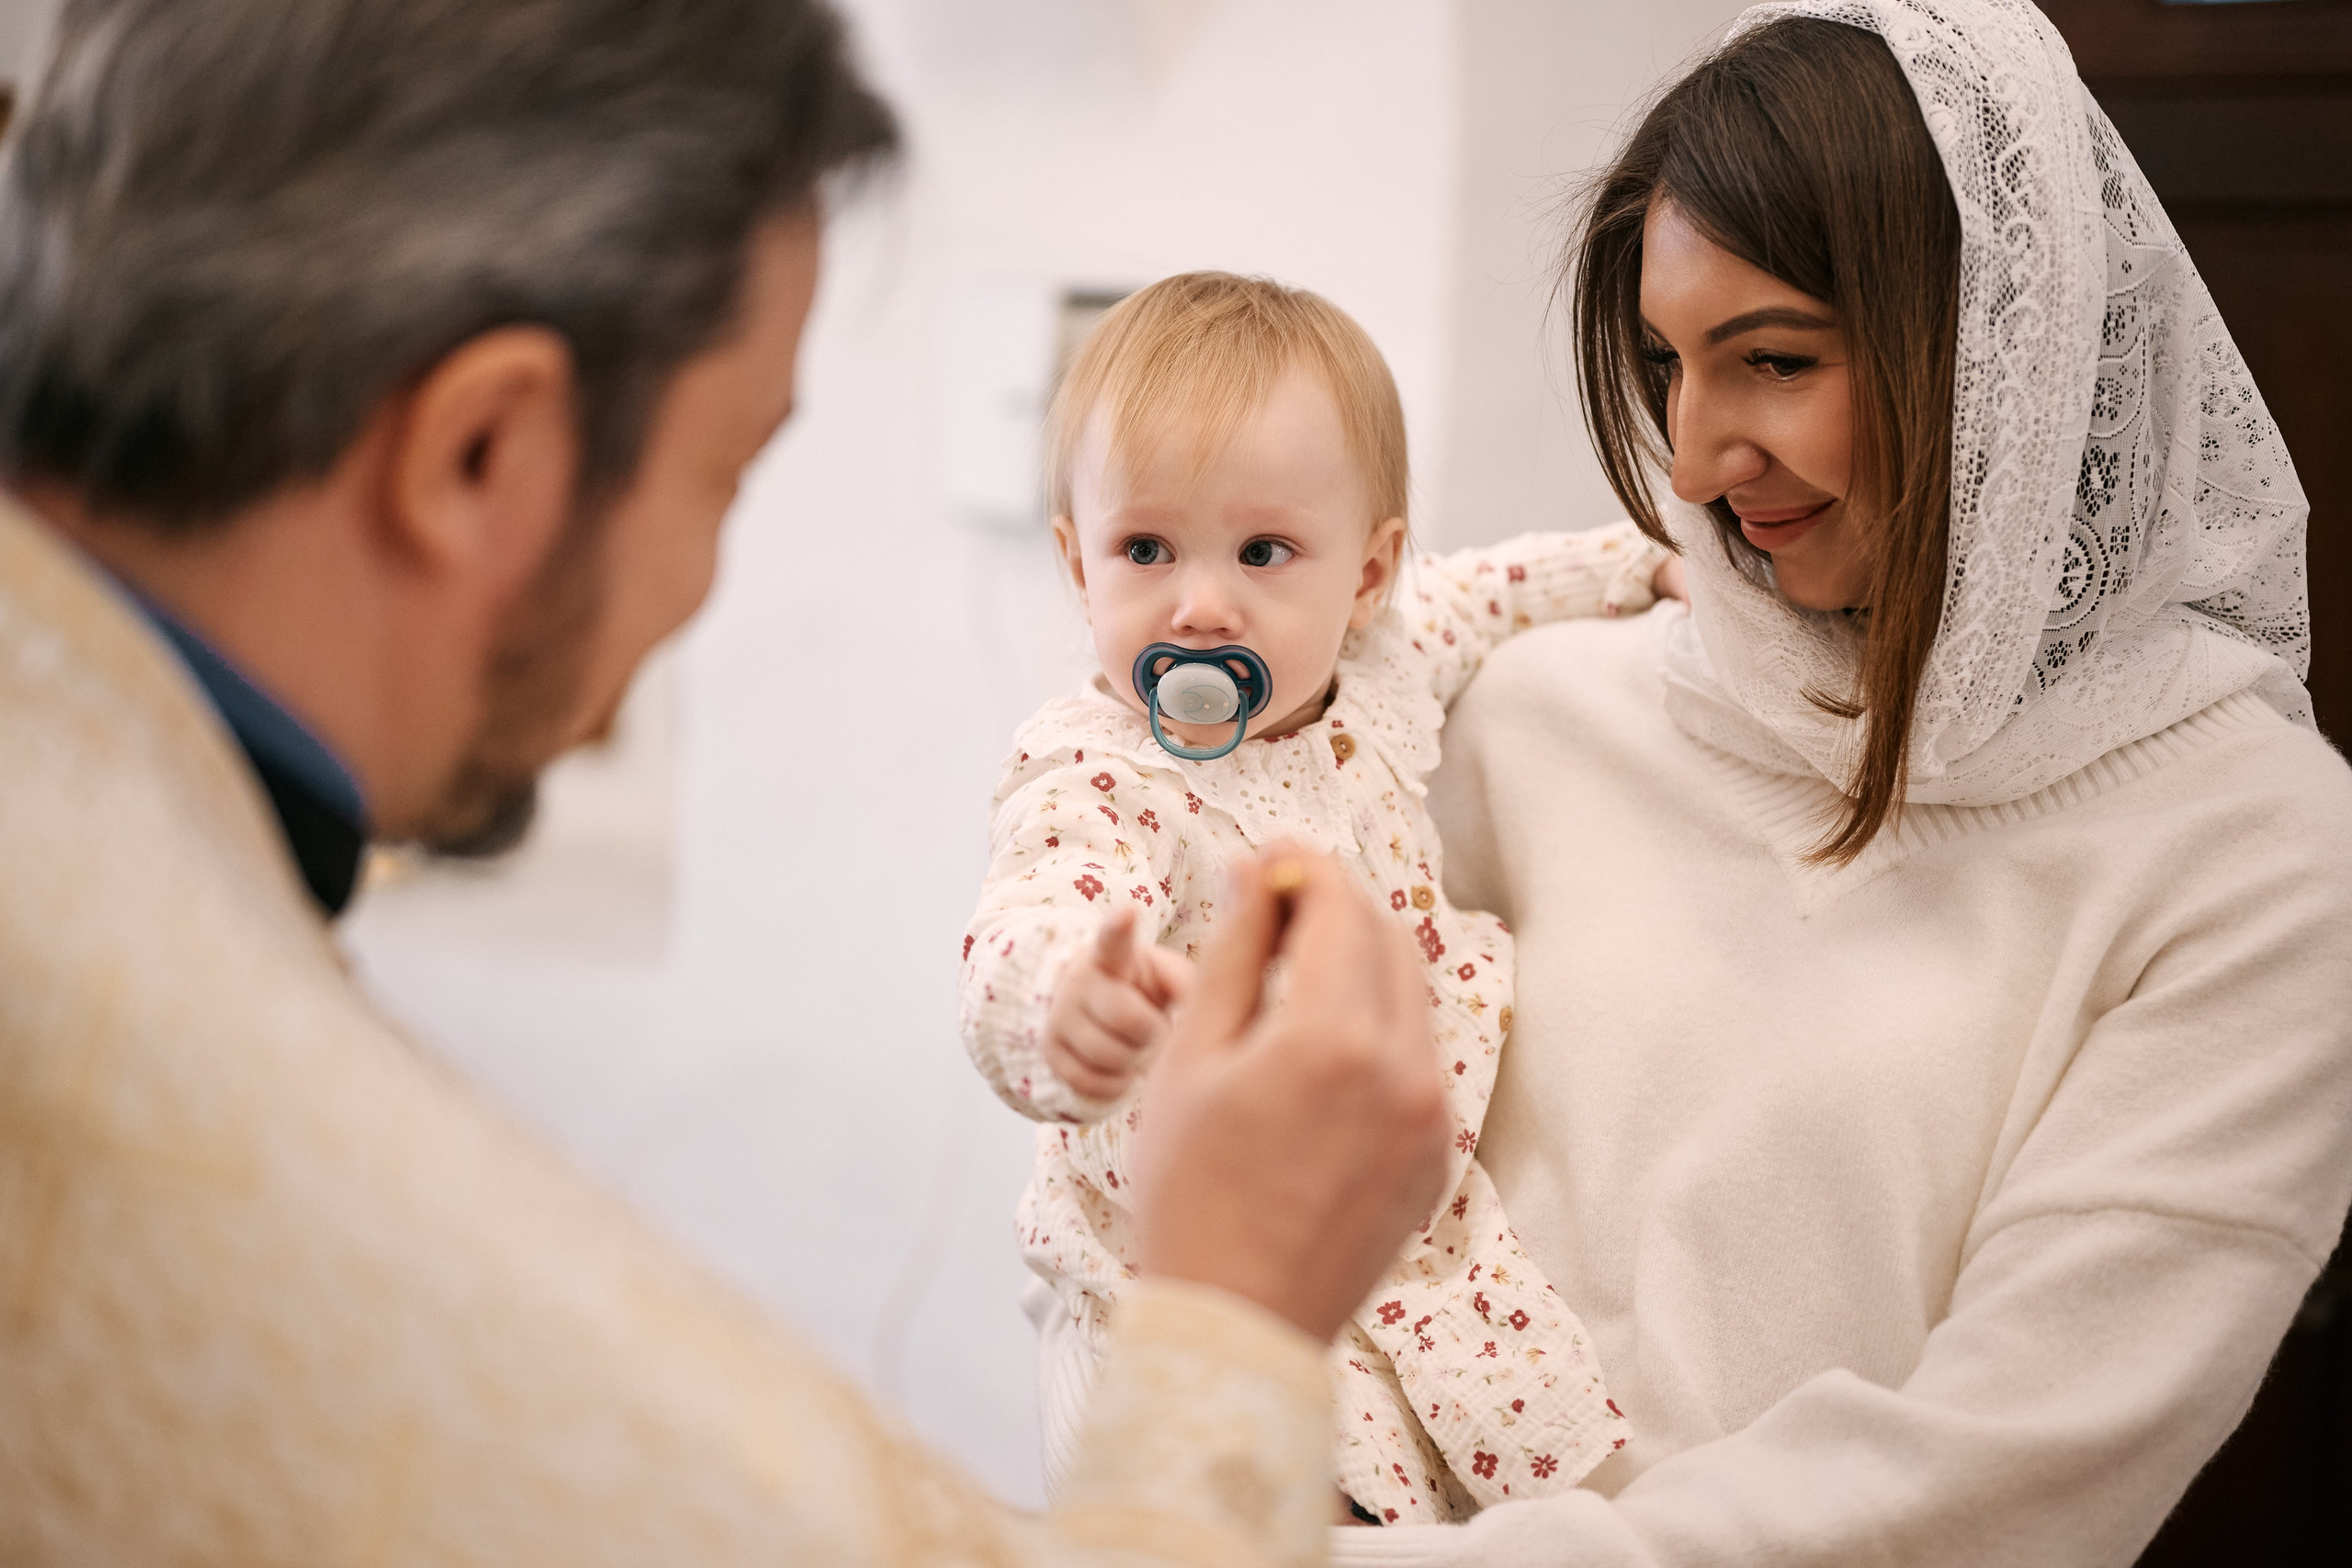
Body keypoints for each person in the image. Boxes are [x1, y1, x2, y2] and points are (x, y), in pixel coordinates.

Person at [0, 3, 1455, 1563]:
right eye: (729, 475)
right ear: (481, 454)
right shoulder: (234, 1160)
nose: (702, 583)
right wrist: (1235, 1305)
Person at [1329, 1, 2352, 1562]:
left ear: (2001, 345)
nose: (1690, 460)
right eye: (1670, 364)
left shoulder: (2263, 861)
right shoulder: (1530, 720)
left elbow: (1993, 1478)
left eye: (1776, 360)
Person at [958, 272, 1677, 1521]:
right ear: (1079, 562)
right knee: (1284, 1504)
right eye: (1145, 549)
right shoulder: (1100, 767)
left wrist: (1642, 565)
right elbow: (1032, 913)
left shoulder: (1383, 664)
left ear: (1366, 575)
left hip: (1395, 1216)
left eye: (1263, 552)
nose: (1198, 602)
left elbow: (1499, 587)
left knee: (1527, 1487)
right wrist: (1064, 1004)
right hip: (1178, 1262)